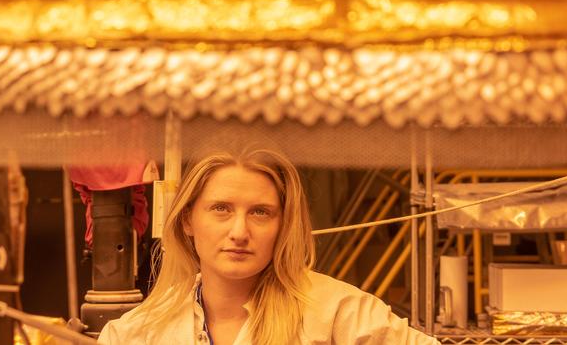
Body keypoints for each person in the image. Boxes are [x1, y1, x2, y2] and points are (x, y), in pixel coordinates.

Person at [99, 147, 439, 345]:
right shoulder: (135, 335)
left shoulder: (339, 314)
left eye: (260, 213)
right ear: (188, 220)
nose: (239, 231)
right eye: (221, 209)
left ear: (283, 224)